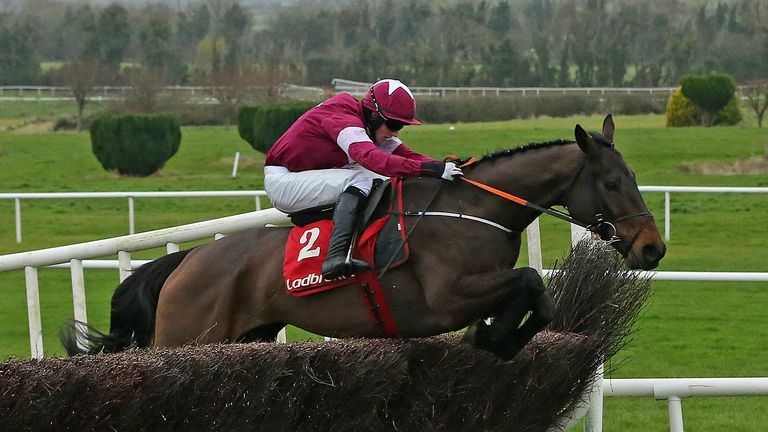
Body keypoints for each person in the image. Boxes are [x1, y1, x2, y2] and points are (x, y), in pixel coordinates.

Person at [264, 79, 463, 279]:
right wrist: (431, 169)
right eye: (393, 124)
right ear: (374, 115)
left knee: (383, 179)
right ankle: (335, 257)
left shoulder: (366, 123)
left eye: (401, 126)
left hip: (304, 177)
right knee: (361, 178)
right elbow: (371, 159)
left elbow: (408, 157)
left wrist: (456, 167)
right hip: (284, 181)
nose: (395, 132)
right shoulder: (342, 117)